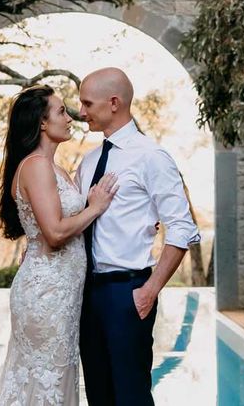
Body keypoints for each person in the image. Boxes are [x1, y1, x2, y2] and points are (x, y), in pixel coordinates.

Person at [0, 84, 119, 406]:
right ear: (42, 123)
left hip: (61, 295)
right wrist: (95, 208)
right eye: (61, 111)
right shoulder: (36, 166)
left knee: (54, 381)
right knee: (46, 381)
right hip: (47, 296)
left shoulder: (53, 167)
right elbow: (55, 232)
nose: (70, 117)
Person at [77, 67, 201, 406]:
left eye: (87, 103)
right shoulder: (87, 162)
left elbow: (182, 229)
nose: (81, 111)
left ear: (113, 102)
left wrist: (149, 290)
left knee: (131, 397)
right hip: (87, 294)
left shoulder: (151, 156)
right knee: (99, 396)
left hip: (127, 292)